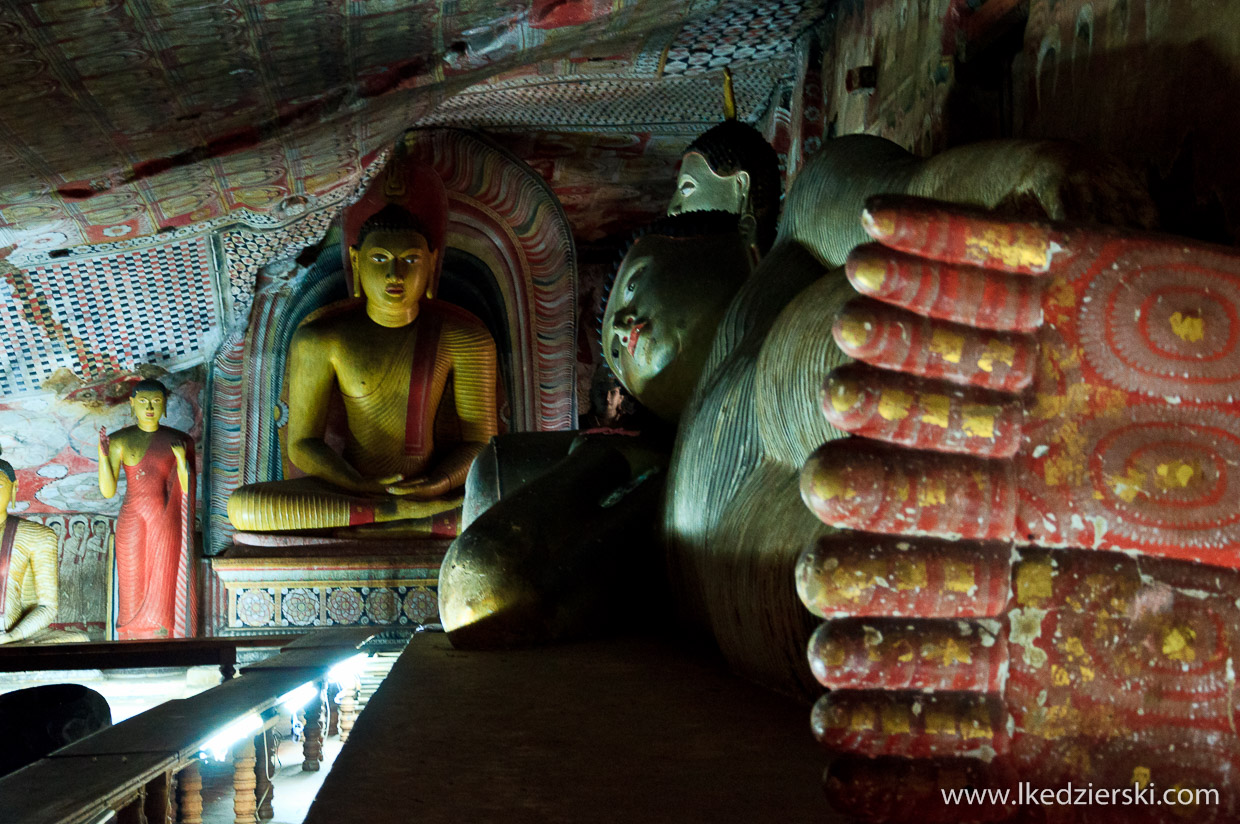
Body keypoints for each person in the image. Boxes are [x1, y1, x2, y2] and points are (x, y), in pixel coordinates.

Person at [227, 203, 498, 534]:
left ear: (431, 261)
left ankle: (393, 516)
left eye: (410, 260)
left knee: (508, 503)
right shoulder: (321, 339)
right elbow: (303, 443)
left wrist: (438, 484)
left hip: (435, 491)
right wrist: (356, 484)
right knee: (244, 507)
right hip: (351, 490)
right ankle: (395, 516)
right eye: (379, 259)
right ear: (356, 261)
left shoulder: (465, 338)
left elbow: (482, 445)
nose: (394, 274)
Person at [98, 379, 196, 639]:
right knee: (131, 576)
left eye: (156, 401)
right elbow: (107, 491)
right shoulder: (119, 440)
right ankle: (129, 636)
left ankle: (162, 634)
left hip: (163, 516)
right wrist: (102, 457)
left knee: (162, 574)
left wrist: (181, 460)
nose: (149, 407)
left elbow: (185, 489)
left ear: (165, 404)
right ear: (132, 404)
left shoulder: (177, 440)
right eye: (143, 402)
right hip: (131, 513)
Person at [0, 450, 85, 644]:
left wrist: (13, 635)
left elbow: (47, 606)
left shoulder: (38, 536)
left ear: (14, 489)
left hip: (14, 632)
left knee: (77, 639)